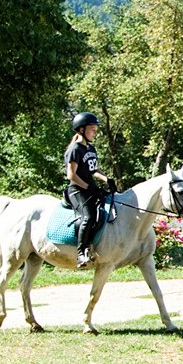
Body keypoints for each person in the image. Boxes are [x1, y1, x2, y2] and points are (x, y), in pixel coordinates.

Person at [64, 111, 112, 267]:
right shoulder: (74, 149)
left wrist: (107, 180)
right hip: (77, 190)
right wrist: (88, 187)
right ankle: (81, 253)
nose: (95, 133)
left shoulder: (90, 149)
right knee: (89, 216)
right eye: (92, 130)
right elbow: (71, 175)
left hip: (90, 189)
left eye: (95, 130)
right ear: (82, 130)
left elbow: (94, 170)